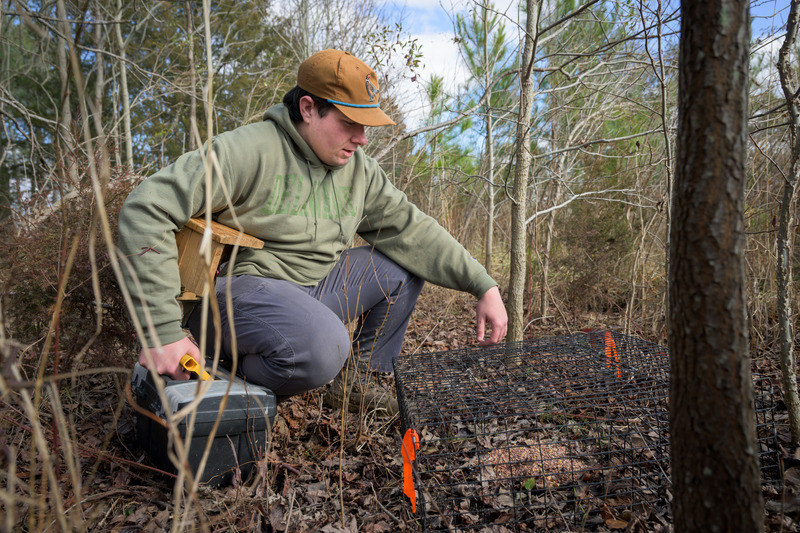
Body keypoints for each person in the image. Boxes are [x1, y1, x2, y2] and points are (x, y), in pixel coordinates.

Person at [118, 49, 507, 415]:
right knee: (324, 346)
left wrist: (483, 286)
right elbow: (146, 208)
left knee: (401, 269)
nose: (362, 138)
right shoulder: (249, 150)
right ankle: (238, 375)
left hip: (311, 291)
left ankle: (353, 381)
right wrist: (162, 331)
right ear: (308, 108)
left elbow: (413, 230)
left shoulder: (361, 172)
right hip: (236, 293)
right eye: (349, 123)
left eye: (366, 125)